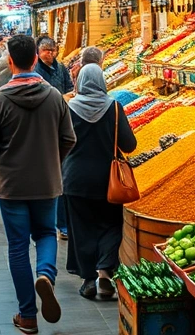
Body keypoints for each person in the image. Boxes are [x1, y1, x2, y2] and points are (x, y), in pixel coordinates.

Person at [0, 35, 76, 334]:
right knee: (46, 233)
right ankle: (45, 275)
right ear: (36, 59)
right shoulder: (55, 97)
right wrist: (52, 162)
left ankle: (28, 315)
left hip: (12, 186)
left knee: (18, 247)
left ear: (10, 61)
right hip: (47, 183)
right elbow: (69, 139)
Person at [63, 64, 136, 300]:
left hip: (75, 179)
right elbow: (129, 145)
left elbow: (59, 143)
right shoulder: (114, 107)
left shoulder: (68, 108)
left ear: (79, 82)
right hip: (108, 180)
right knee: (111, 225)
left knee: (82, 229)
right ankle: (105, 273)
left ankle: (88, 281)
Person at [34, 36, 74, 240]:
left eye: (53, 50)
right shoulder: (35, 72)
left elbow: (69, 90)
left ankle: (63, 224)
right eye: (46, 50)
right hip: (43, 128)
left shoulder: (62, 68)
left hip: (62, 124)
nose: (50, 54)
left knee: (62, 178)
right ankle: (51, 222)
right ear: (39, 52)